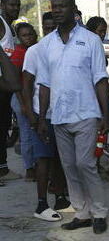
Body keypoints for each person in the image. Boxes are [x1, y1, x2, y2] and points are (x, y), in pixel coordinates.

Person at [37, 0, 109, 233]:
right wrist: (41, 119)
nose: (57, 10)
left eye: (62, 6)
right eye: (54, 7)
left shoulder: (90, 40)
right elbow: (45, 84)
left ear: (74, 9)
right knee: (69, 166)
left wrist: (106, 114)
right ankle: (82, 212)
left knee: (85, 164)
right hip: (59, 116)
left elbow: (100, 80)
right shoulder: (46, 44)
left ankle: (99, 212)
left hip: (86, 113)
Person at [22, 13, 71, 222]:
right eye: (48, 27)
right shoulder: (35, 51)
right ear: (43, 27)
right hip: (41, 115)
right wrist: (31, 116)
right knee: (43, 159)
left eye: (55, 27)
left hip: (61, 114)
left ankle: (60, 198)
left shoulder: (64, 49)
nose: (52, 30)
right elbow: (26, 85)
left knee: (59, 159)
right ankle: (41, 204)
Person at [10, 23, 37, 181]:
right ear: (19, 38)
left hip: (35, 97)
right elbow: (17, 84)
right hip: (22, 99)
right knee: (26, 135)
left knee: (36, 134)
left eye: (30, 34)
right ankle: (29, 168)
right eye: (24, 35)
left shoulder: (36, 50)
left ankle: (39, 165)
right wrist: (24, 105)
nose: (28, 38)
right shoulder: (19, 53)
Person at [0, 0, 22, 182]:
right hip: (2, 82)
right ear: (2, 5)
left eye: (17, 5)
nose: (15, 8)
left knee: (4, 125)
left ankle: (2, 167)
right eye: (11, 5)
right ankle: (2, 169)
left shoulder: (10, 27)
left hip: (7, 83)